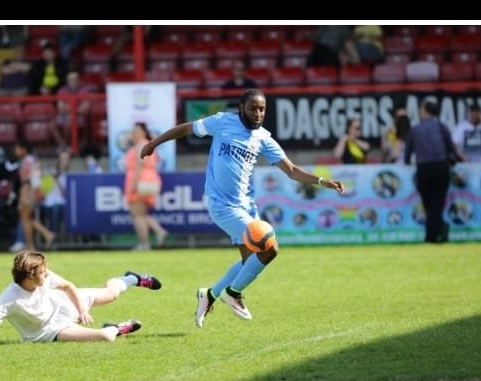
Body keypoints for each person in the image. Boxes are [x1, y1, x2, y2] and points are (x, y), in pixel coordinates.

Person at [139, 88, 345, 327]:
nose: (258, 113)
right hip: (222, 205)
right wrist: (153, 143)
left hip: (247, 206)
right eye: (253, 108)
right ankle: (233, 293)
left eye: (262, 109)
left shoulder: (263, 138)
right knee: (270, 248)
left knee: (250, 261)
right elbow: (186, 128)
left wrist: (321, 180)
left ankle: (210, 295)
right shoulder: (221, 122)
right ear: (241, 108)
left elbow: (291, 170)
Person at [0, 250, 161, 350]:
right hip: (51, 331)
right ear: (30, 277)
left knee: (111, 295)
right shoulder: (10, 298)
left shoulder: (43, 275)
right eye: (42, 272)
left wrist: (82, 310)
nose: (46, 274)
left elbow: (68, 286)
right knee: (105, 337)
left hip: (65, 304)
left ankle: (132, 278)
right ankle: (117, 328)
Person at [404, 100, 465, 243]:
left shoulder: (415, 129)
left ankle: (432, 235)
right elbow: (452, 149)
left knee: (428, 203)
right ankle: (437, 231)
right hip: (441, 167)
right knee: (437, 203)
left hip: (423, 169)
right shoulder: (442, 127)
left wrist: (408, 161)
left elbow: (407, 153)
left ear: (424, 111)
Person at [125, 122, 168, 250]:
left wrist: (134, 184)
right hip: (151, 180)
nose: (133, 134)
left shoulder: (140, 146)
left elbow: (140, 165)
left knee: (137, 214)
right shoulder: (149, 145)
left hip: (141, 181)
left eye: (136, 131)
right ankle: (159, 231)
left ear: (143, 133)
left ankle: (144, 243)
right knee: (141, 213)